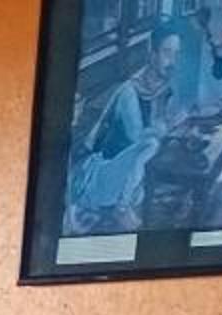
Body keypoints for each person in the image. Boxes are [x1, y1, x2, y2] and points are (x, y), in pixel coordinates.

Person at [71, 33, 193, 230]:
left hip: (128, 172)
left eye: (176, 54)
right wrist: (169, 125)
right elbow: (137, 137)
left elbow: (159, 123)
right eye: (167, 52)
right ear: (152, 54)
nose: (173, 61)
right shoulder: (130, 91)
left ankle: (141, 200)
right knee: (151, 144)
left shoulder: (162, 87)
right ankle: (122, 208)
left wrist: (176, 124)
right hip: (103, 175)